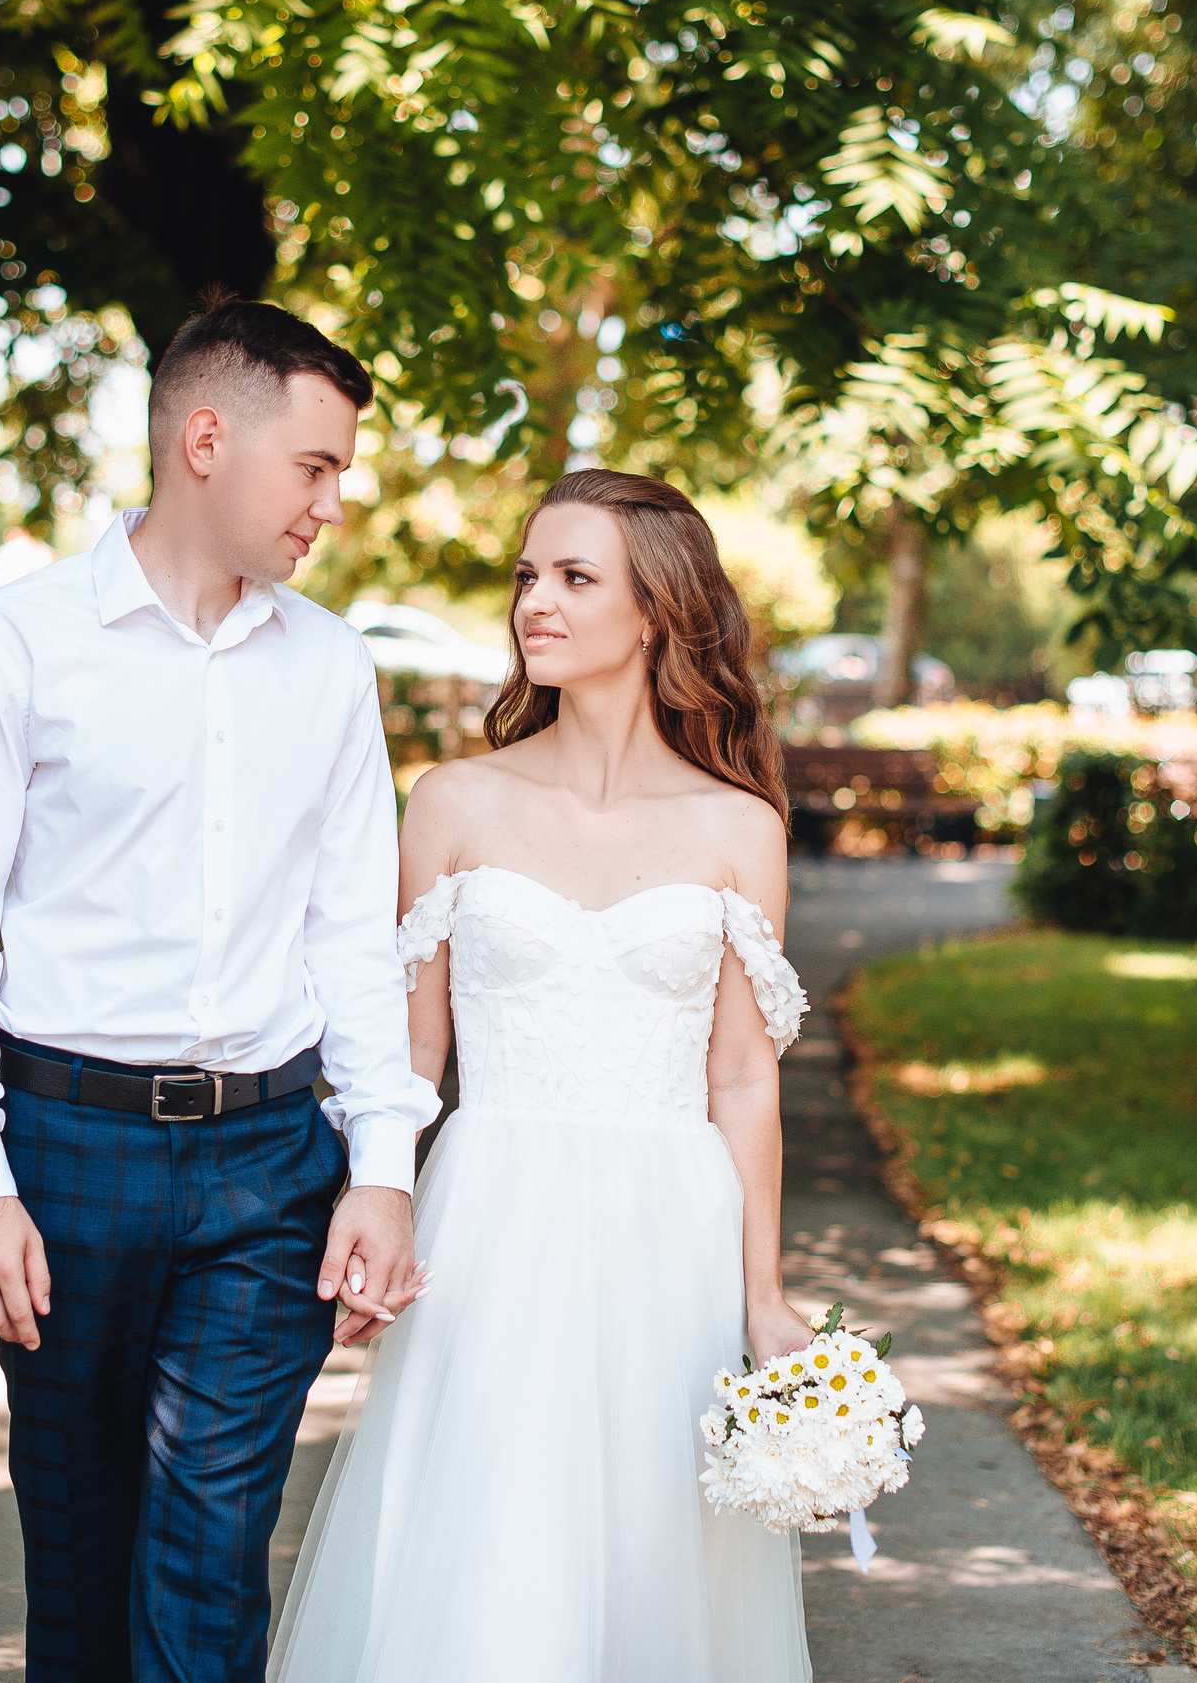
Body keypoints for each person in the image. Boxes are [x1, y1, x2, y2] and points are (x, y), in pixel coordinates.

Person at [0, 297, 439, 1683]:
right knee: (80, 1559)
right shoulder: (15, 643)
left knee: (208, 1562)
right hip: (68, 1156)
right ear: (206, 439)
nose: (332, 504)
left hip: (268, 1167)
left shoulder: (330, 663)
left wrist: (382, 1165)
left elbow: (355, 933)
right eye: (316, 466)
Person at [271, 469, 817, 1682]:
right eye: (528, 575)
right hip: (492, 1217)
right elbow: (408, 1048)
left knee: (651, 1552)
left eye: (575, 578)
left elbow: (740, 1078)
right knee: (489, 1546)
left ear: (659, 611)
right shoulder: (456, 801)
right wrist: (381, 1199)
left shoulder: (740, 828)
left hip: (671, 1229)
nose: (535, 603)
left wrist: (764, 1293)